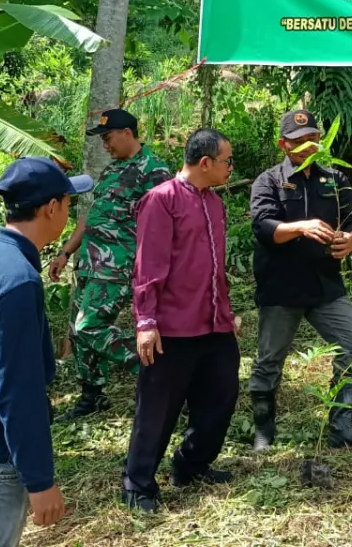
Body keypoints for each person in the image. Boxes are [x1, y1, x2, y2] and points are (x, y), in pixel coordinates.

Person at [0, 157, 92, 545]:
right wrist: (40, 481)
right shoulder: (17, 280)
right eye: (68, 202)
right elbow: (17, 391)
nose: (69, 211)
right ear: (51, 208)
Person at [246, 109, 352, 452]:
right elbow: (263, 227)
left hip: (325, 284)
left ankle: (342, 426)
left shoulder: (335, 179)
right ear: (284, 144)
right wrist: (301, 227)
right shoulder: (270, 181)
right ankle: (263, 430)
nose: (309, 146)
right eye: (300, 141)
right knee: (269, 361)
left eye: (314, 139)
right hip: (282, 286)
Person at [122, 128, 238, 513]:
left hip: (213, 322)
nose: (230, 168)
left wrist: (226, 310)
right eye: (226, 161)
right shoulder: (161, 201)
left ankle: (191, 464)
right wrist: (146, 321)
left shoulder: (215, 203)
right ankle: (138, 483)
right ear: (204, 163)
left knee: (221, 397)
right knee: (158, 408)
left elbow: (215, 268)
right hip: (171, 326)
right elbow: (148, 267)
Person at [49, 109, 172, 421]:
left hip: (117, 267)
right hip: (89, 264)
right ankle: (91, 396)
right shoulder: (112, 171)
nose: (105, 145)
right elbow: (91, 216)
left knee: (89, 327)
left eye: (108, 138)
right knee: (78, 335)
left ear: (127, 133)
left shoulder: (154, 171)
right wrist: (65, 252)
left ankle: (158, 370)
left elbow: (168, 222)